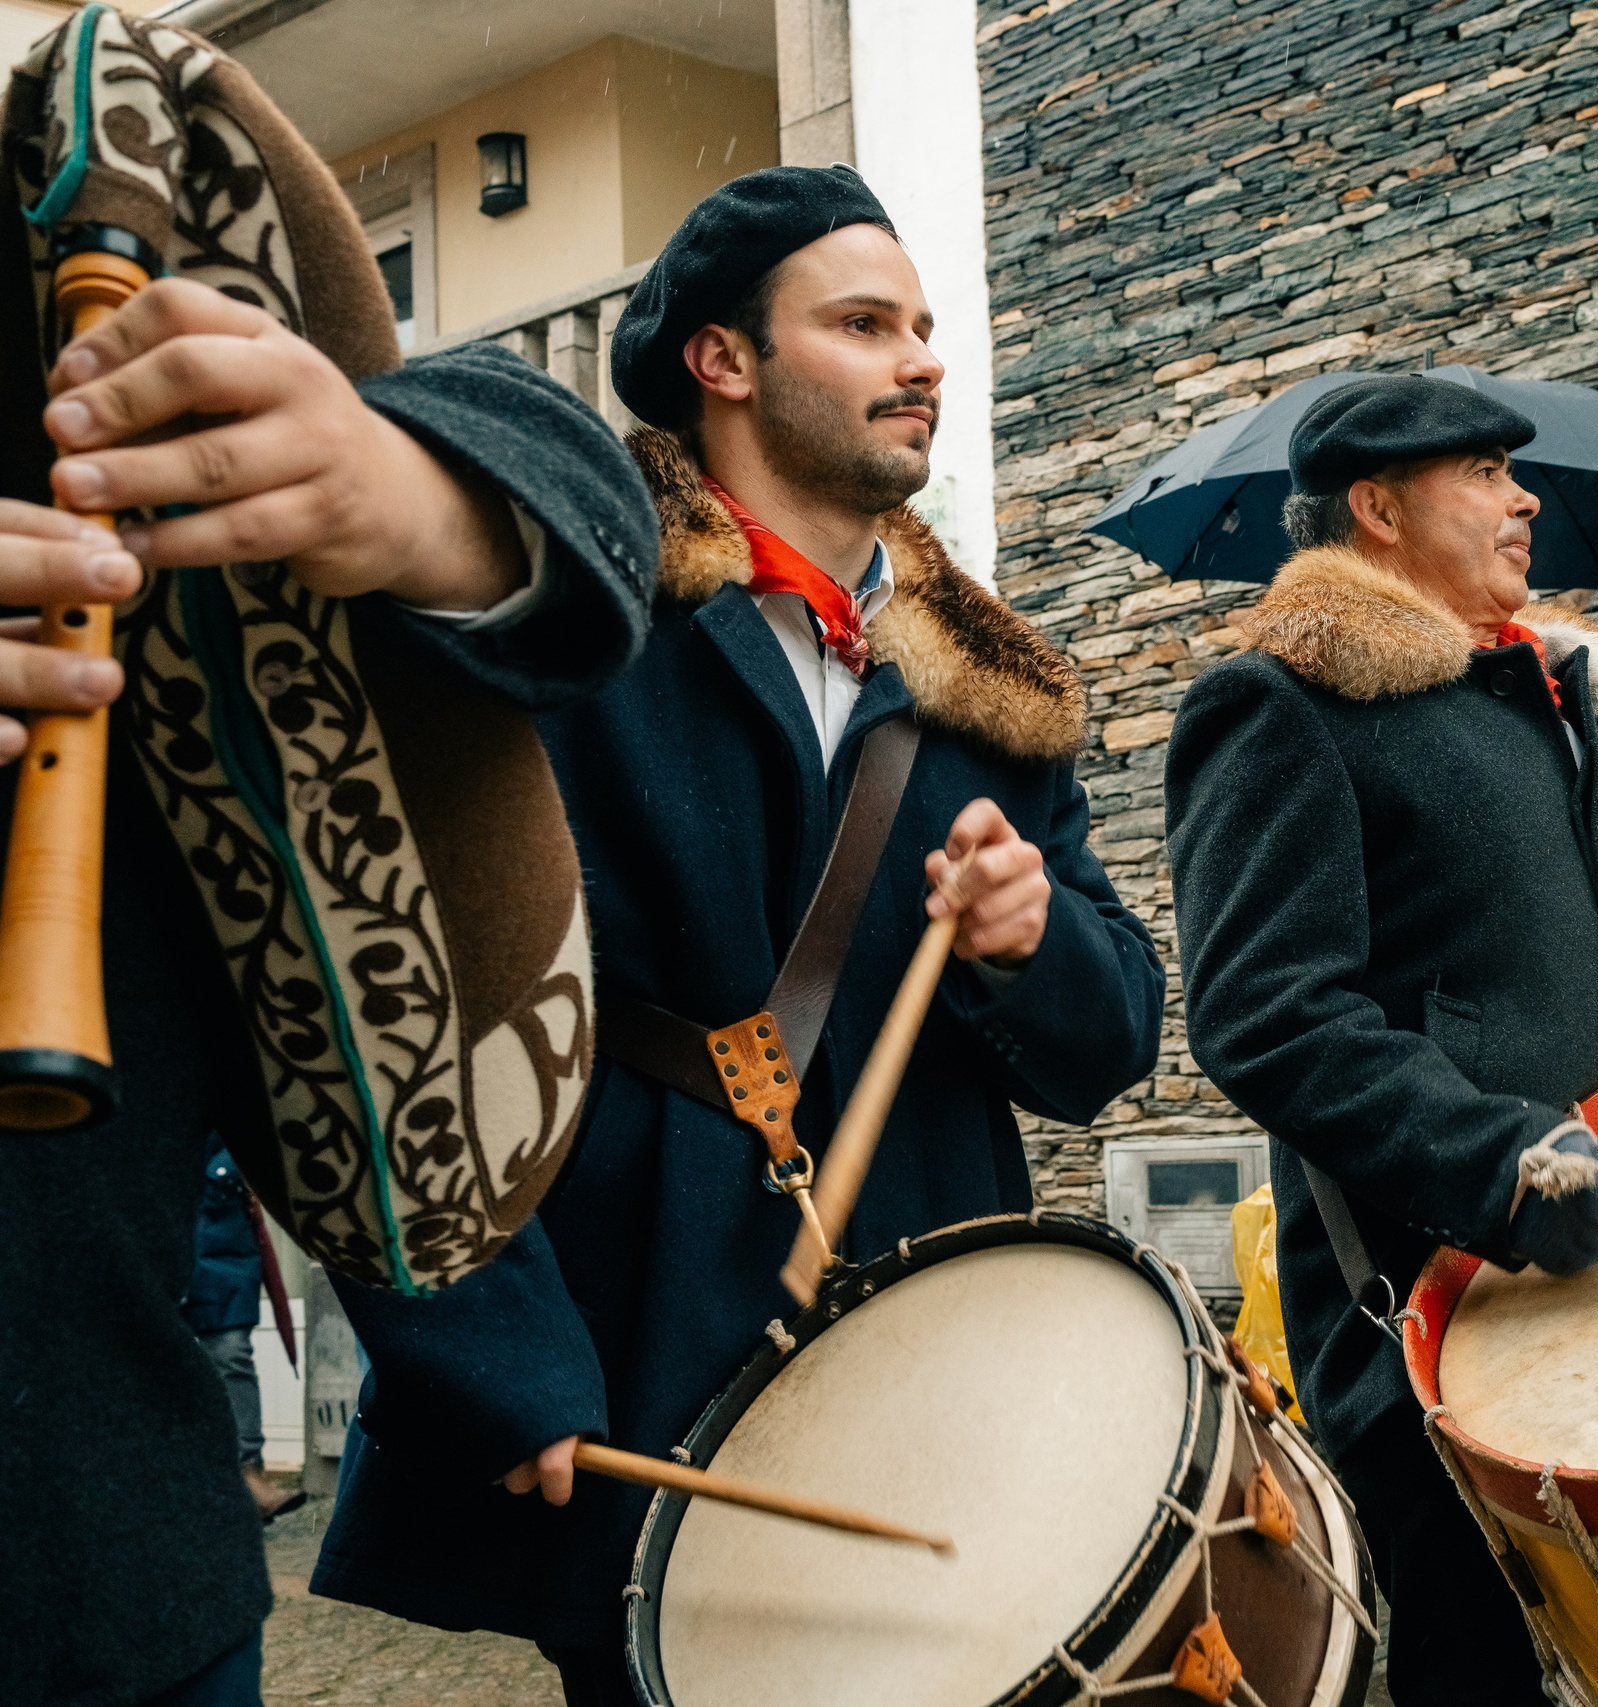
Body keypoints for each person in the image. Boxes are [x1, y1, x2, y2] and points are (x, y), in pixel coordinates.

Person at [308, 166, 1165, 1701]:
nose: (923, 360)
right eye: (861, 323)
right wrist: (487, 1353)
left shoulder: (992, 693)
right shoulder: (575, 627)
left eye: (923, 326)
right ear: (724, 361)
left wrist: (1031, 939)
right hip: (645, 1315)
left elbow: (1108, 1049)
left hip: (935, 1325)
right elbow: (391, 997)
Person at [0, 283, 657, 1705]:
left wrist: (409, 493)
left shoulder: (56, 258)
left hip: (97, 1559)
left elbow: (357, 985)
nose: (913, 362)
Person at [1167, 374, 1598, 1707]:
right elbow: (1270, 1015)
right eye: (1486, 470)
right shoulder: (1282, 704)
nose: (1523, 495)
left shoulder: (1548, 700)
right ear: (1377, 507)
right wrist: (1515, 1168)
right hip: (1439, 1302)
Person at [184, 1136, 304, 1524]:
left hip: (221, 1226)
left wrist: (233, 1169)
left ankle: (249, 1478)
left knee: (231, 1352)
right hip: (152, 1215)